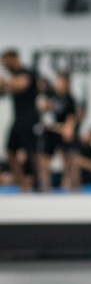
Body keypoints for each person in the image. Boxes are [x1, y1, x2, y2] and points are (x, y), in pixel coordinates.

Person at [1, 49, 40, 193]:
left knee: (32, 153)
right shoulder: (12, 76)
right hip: (18, 119)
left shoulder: (27, 72)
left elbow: (21, 85)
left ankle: (39, 181)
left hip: (30, 119)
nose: (4, 66)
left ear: (14, 58)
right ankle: (22, 183)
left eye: (5, 62)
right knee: (10, 151)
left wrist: (5, 82)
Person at [39, 72, 82, 192]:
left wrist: (68, 128)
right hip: (50, 132)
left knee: (71, 160)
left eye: (61, 82)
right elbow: (42, 109)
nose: (59, 84)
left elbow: (71, 118)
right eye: (57, 82)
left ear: (67, 84)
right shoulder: (49, 95)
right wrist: (45, 107)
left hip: (63, 132)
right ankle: (46, 190)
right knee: (45, 161)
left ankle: (76, 190)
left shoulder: (70, 99)